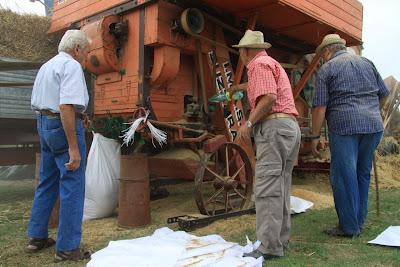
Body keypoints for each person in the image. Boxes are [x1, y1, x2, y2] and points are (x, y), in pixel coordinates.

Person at [229, 30, 301, 260]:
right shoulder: (271, 63)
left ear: (246, 51)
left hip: (273, 129)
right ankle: (280, 239)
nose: (240, 55)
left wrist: (248, 123)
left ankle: (268, 246)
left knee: (267, 187)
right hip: (289, 127)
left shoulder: (257, 65)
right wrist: (239, 88)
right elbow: (265, 88)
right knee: (281, 185)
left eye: (240, 51)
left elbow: (268, 97)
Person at [311, 34, 390, 237]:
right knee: (362, 174)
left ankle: (349, 227)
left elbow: (320, 108)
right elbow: (384, 94)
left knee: (344, 177)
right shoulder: (366, 62)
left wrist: (314, 137)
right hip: (373, 126)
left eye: (322, 55)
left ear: (327, 51)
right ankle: (358, 222)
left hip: (344, 126)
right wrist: (371, 110)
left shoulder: (327, 69)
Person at [27, 29, 91, 262]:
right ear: (76, 49)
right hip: (62, 126)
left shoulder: (47, 66)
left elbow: (51, 102)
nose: (86, 59)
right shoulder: (72, 66)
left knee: (47, 181)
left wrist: (80, 114)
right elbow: (65, 106)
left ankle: (36, 237)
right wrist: (73, 148)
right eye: (86, 53)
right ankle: (67, 247)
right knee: (73, 185)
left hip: (43, 124)